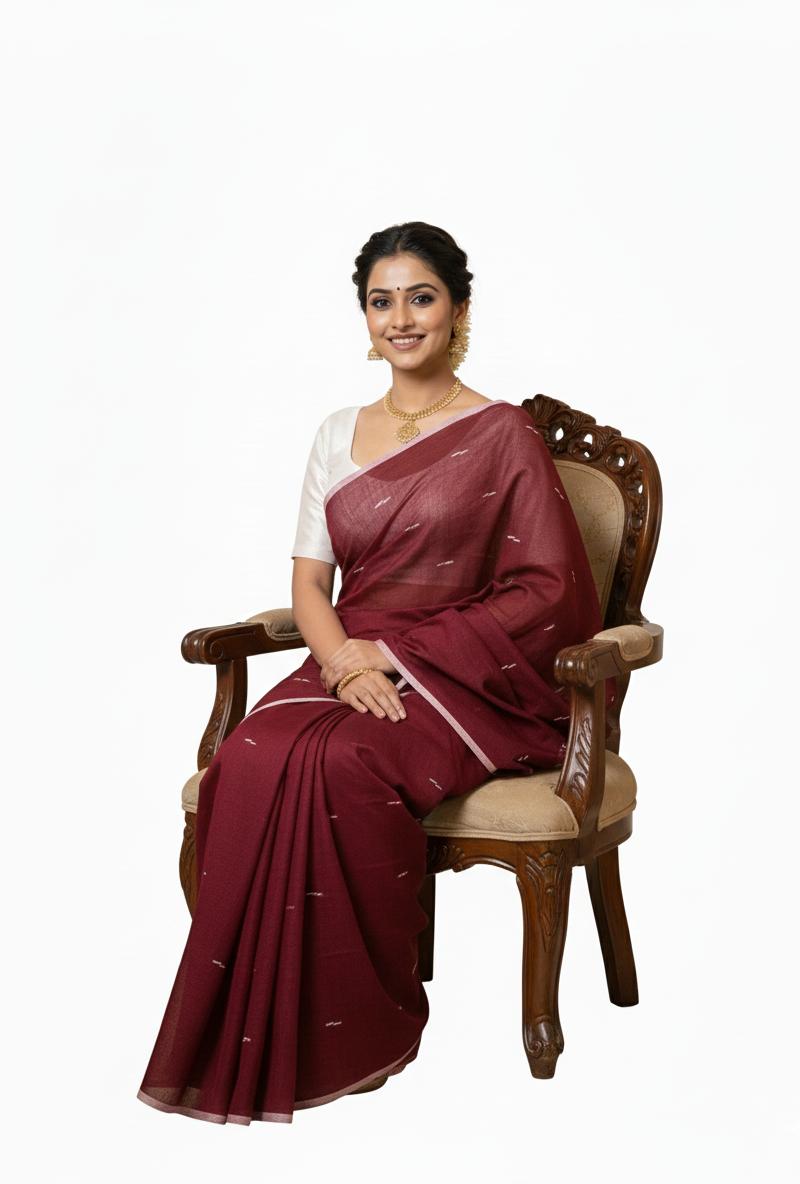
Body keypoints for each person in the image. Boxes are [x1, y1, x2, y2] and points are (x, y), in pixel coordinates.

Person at [136, 221, 604, 1125]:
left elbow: (546, 591)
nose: (401, 318)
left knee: (347, 763)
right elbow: (311, 584)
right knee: (251, 757)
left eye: (420, 297)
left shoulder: (501, 434)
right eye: (382, 300)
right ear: (364, 316)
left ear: (458, 311)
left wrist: (393, 656)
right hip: (346, 653)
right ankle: (245, 1024)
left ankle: (366, 1027)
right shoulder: (335, 433)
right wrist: (345, 656)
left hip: (467, 675)